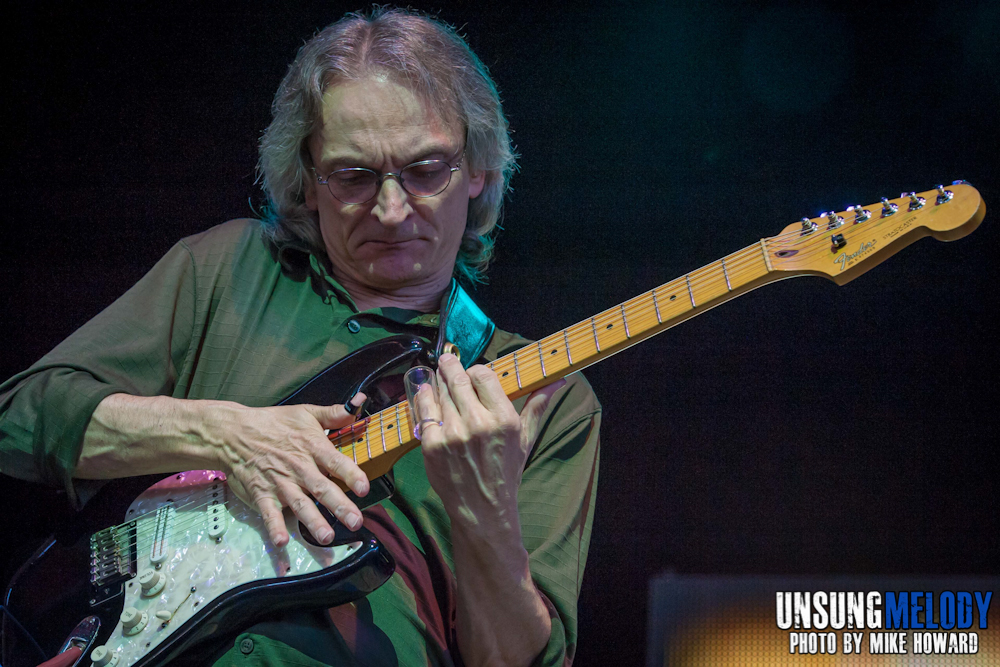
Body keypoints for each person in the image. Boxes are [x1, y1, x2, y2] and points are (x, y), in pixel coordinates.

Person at [0, 7, 601, 666]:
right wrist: (227, 434)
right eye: (354, 176)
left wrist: (485, 520)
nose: (393, 208)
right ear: (306, 180)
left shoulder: (547, 395)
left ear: (479, 168)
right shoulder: (223, 269)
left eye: (427, 170)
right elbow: (20, 418)